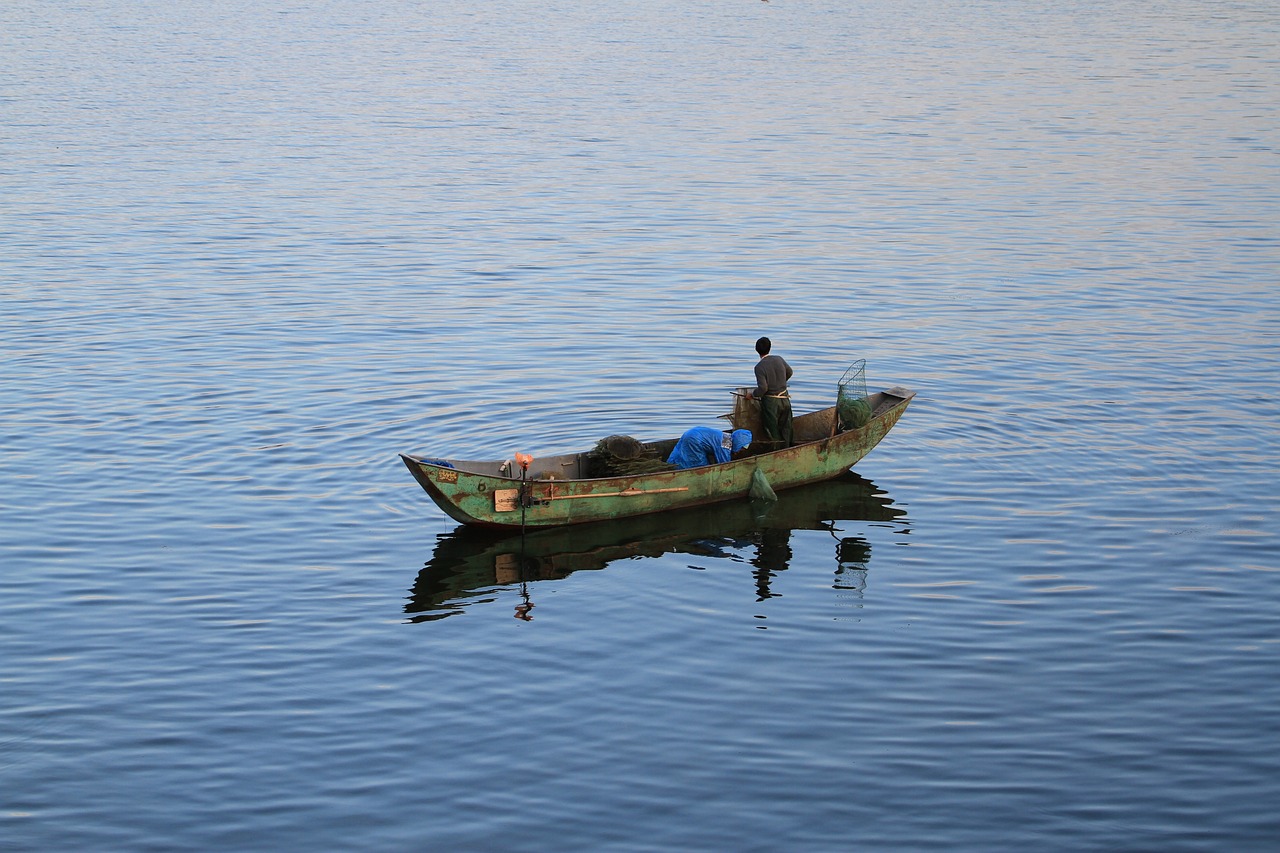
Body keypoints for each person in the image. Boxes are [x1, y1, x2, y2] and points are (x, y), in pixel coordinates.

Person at [750, 336, 793, 447]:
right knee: (786, 428)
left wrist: (753, 394)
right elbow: (790, 372)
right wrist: (781, 383)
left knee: (772, 430)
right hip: (785, 398)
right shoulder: (779, 359)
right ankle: (788, 450)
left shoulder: (759, 367)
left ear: (757, 350)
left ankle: (777, 452)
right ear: (770, 347)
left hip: (771, 403)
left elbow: (763, 389)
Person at [667, 427, 753, 470]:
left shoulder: (727, 436)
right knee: (699, 465)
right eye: (741, 447)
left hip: (691, 432)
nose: (741, 449)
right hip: (695, 440)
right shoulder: (725, 445)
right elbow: (724, 464)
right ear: (739, 442)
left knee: (681, 453)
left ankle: (671, 465)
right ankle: (680, 471)